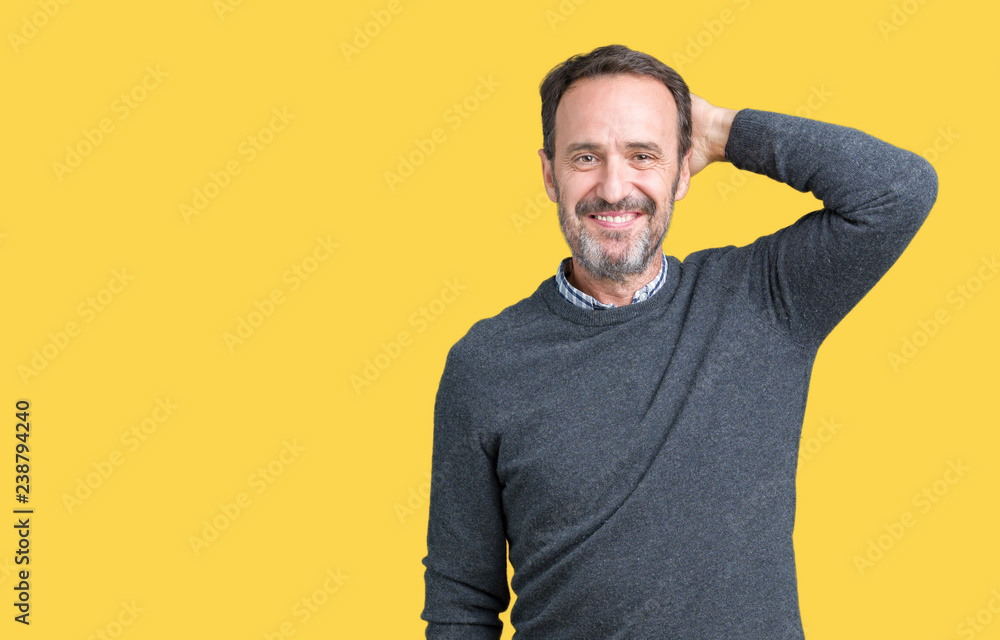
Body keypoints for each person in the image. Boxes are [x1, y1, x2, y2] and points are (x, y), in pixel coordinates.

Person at [420, 44, 937, 639]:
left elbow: (898, 192)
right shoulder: (484, 364)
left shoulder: (763, 298)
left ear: (682, 168)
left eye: (644, 155)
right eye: (586, 156)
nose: (615, 188)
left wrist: (721, 130)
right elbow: (462, 599)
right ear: (548, 173)